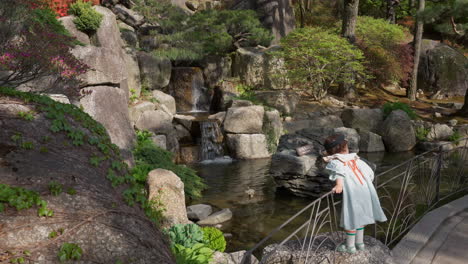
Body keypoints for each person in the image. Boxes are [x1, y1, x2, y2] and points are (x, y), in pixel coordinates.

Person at [323, 134, 387, 253]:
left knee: (351, 217)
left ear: (331, 151)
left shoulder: (337, 162)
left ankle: (350, 246)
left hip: (353, 192)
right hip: (365, 188)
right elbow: (368, 172)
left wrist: (339, 185)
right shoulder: (353, 158)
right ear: (345, 148)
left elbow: (339, 173)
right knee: (360, 217)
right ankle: (360, 243)